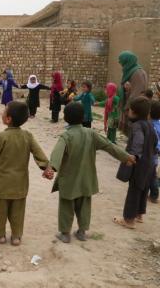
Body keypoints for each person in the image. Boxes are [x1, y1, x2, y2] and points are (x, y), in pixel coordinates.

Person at [0, 101, 52, 246]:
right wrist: (46, 167)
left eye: (4, 111)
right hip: (21, 182)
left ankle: (0, 235)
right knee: (17, 211)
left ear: (8, 119)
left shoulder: (2, 137)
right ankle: (16, 236)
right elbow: (39, 154)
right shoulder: (28, 136)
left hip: (3, 182)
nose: (2, 113)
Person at [50, 103, 134, 243]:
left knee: (66, 206)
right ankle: (82, 232)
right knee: (84, 206)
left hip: (69, 181)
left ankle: (65, 234)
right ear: (83, 117)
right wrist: (125, 157)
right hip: (86, 179)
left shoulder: (65, 136)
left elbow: (57, 154)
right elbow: (109, 145)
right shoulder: (91, 134)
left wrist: (51, 168)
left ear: (65, 118)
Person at [114, 97, 157, 229]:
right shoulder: (150, 124)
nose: (128, 112)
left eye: (130, 110)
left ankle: (128, 220)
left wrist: (132, 157)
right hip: (150, 162)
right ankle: (139, 215)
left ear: (135, 112)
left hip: (139, 163)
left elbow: (138, 142)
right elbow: (155, 141)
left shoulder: (137, 125)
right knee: (143, 188)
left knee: (134, 189)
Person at [118, 51, 148, 136]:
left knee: (134, 133)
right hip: (131, 105)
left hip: (134, 108)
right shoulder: (131, 71)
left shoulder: (137, 73)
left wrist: (128, 107)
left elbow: (137, 92)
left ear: (127, 61)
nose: (120, 63)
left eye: (122, 61)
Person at [148, 101, 160, 204]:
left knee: (152, 176)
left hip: (151, 153)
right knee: (152, 174)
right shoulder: (158, 123)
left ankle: (154, 195)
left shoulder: (150, 125)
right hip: (155, 155)